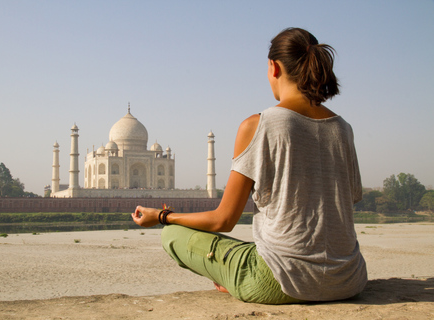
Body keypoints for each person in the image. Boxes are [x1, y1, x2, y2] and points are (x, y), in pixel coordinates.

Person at [131, 27, 367, 304]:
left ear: (274, 67)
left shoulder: (260, 124)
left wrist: (162, 217)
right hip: (348, 279)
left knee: (172, 234)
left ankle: (232, 278)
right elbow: (346, 202)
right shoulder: (343, 128)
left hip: (280, 283)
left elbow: (224, 220)